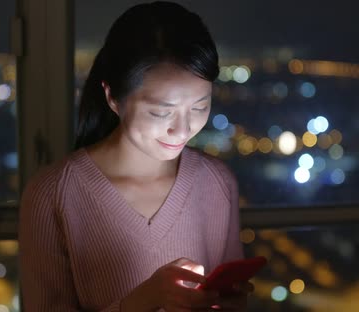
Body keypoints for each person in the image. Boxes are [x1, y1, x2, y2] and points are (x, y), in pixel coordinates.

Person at [19, 1, 252, 311]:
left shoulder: (217, 183)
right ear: (112, 96)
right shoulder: (54, 194)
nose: (182, 129)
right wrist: (144, 300)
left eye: (199, 107)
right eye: (161, 111)